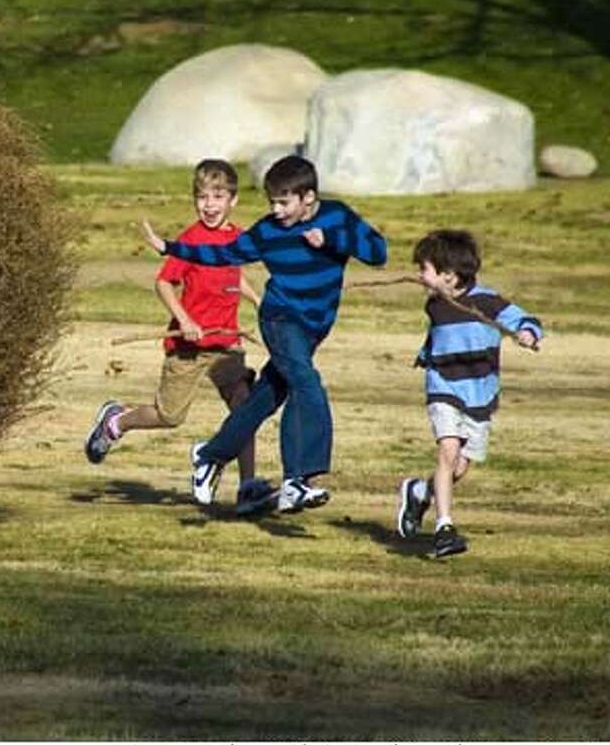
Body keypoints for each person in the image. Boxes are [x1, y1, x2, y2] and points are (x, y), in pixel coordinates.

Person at [140, 155, 387, 514]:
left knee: (268, 395)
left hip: (315, 327)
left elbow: (379, 253)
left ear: (308, 197)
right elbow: (222, 253)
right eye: (272, 202)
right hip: (280, 319)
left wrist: (333, 240)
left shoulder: (336, 216)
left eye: (283, 203)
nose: (276, 210)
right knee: (306, 383)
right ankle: (297, 479)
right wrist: (170, 247)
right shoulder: (268, 230)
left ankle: (210, 454)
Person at [84, 159, 273, 514]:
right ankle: (115, 422)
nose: (209, 205)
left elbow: (233, 274)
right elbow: (164, 283)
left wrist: (258, 300)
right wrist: (184, 319)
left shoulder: (237, 237)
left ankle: (248, 487)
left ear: (233, 200)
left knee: (244, 411)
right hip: (188, 348)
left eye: (218, 196)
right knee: (169, 416)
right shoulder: (191, 240)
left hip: (227, 344)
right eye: (202, 197)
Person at [396, 229, 543, 558]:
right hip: (444, 386)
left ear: (448, 275)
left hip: (480, 394)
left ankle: (420, 492)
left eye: (424, 269)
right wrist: (425, 356)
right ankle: (444, 528)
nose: (419, 276)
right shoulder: (435, 304)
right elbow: (441, 338)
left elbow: (526, 319)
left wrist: (527, 333)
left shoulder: (487, 302)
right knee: (447, 452)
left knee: (459, 467)